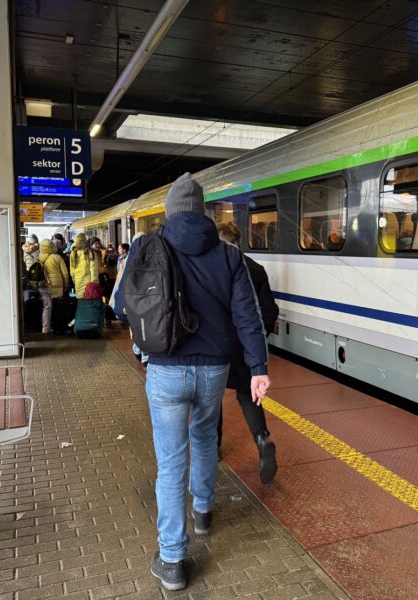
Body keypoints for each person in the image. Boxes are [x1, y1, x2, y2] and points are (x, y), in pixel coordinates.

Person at [125, 173, 270, 591]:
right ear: (203, 211)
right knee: (205, 437)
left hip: (167, 368)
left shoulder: (148, 247)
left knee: (171, 461)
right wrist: (258, 369)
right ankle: (204, 512)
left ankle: (172, 559)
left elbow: (123, 304)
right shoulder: (228, 256)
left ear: (170, 212)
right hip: (214, 369)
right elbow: (248, 316)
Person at [215, 222, 280, 483]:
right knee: (248, 394)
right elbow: (269, 310)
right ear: (238, 241)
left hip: (217, 345)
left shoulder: (213, 266)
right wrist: (257, 339)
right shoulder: (255, 268)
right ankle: (262, 438)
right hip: (246, 345)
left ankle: (213, 446)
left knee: (213, 397)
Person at [37, 238, 69, 333]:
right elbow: (65, 273)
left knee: (47, 306)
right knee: (58, 305)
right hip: (56, 285)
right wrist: (65, 285)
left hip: (43, 285)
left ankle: (45, 328)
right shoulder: (57, 257)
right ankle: (58, 326)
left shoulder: (39, 258)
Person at [69, 232, 99, 298]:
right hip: (89, 283)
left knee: (81, 301)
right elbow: (93, 269)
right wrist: (94, 283)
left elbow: (72, 270)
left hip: (78, 282)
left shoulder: (73, 253)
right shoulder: (91, 252)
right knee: (89, 301)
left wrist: (75, 280)